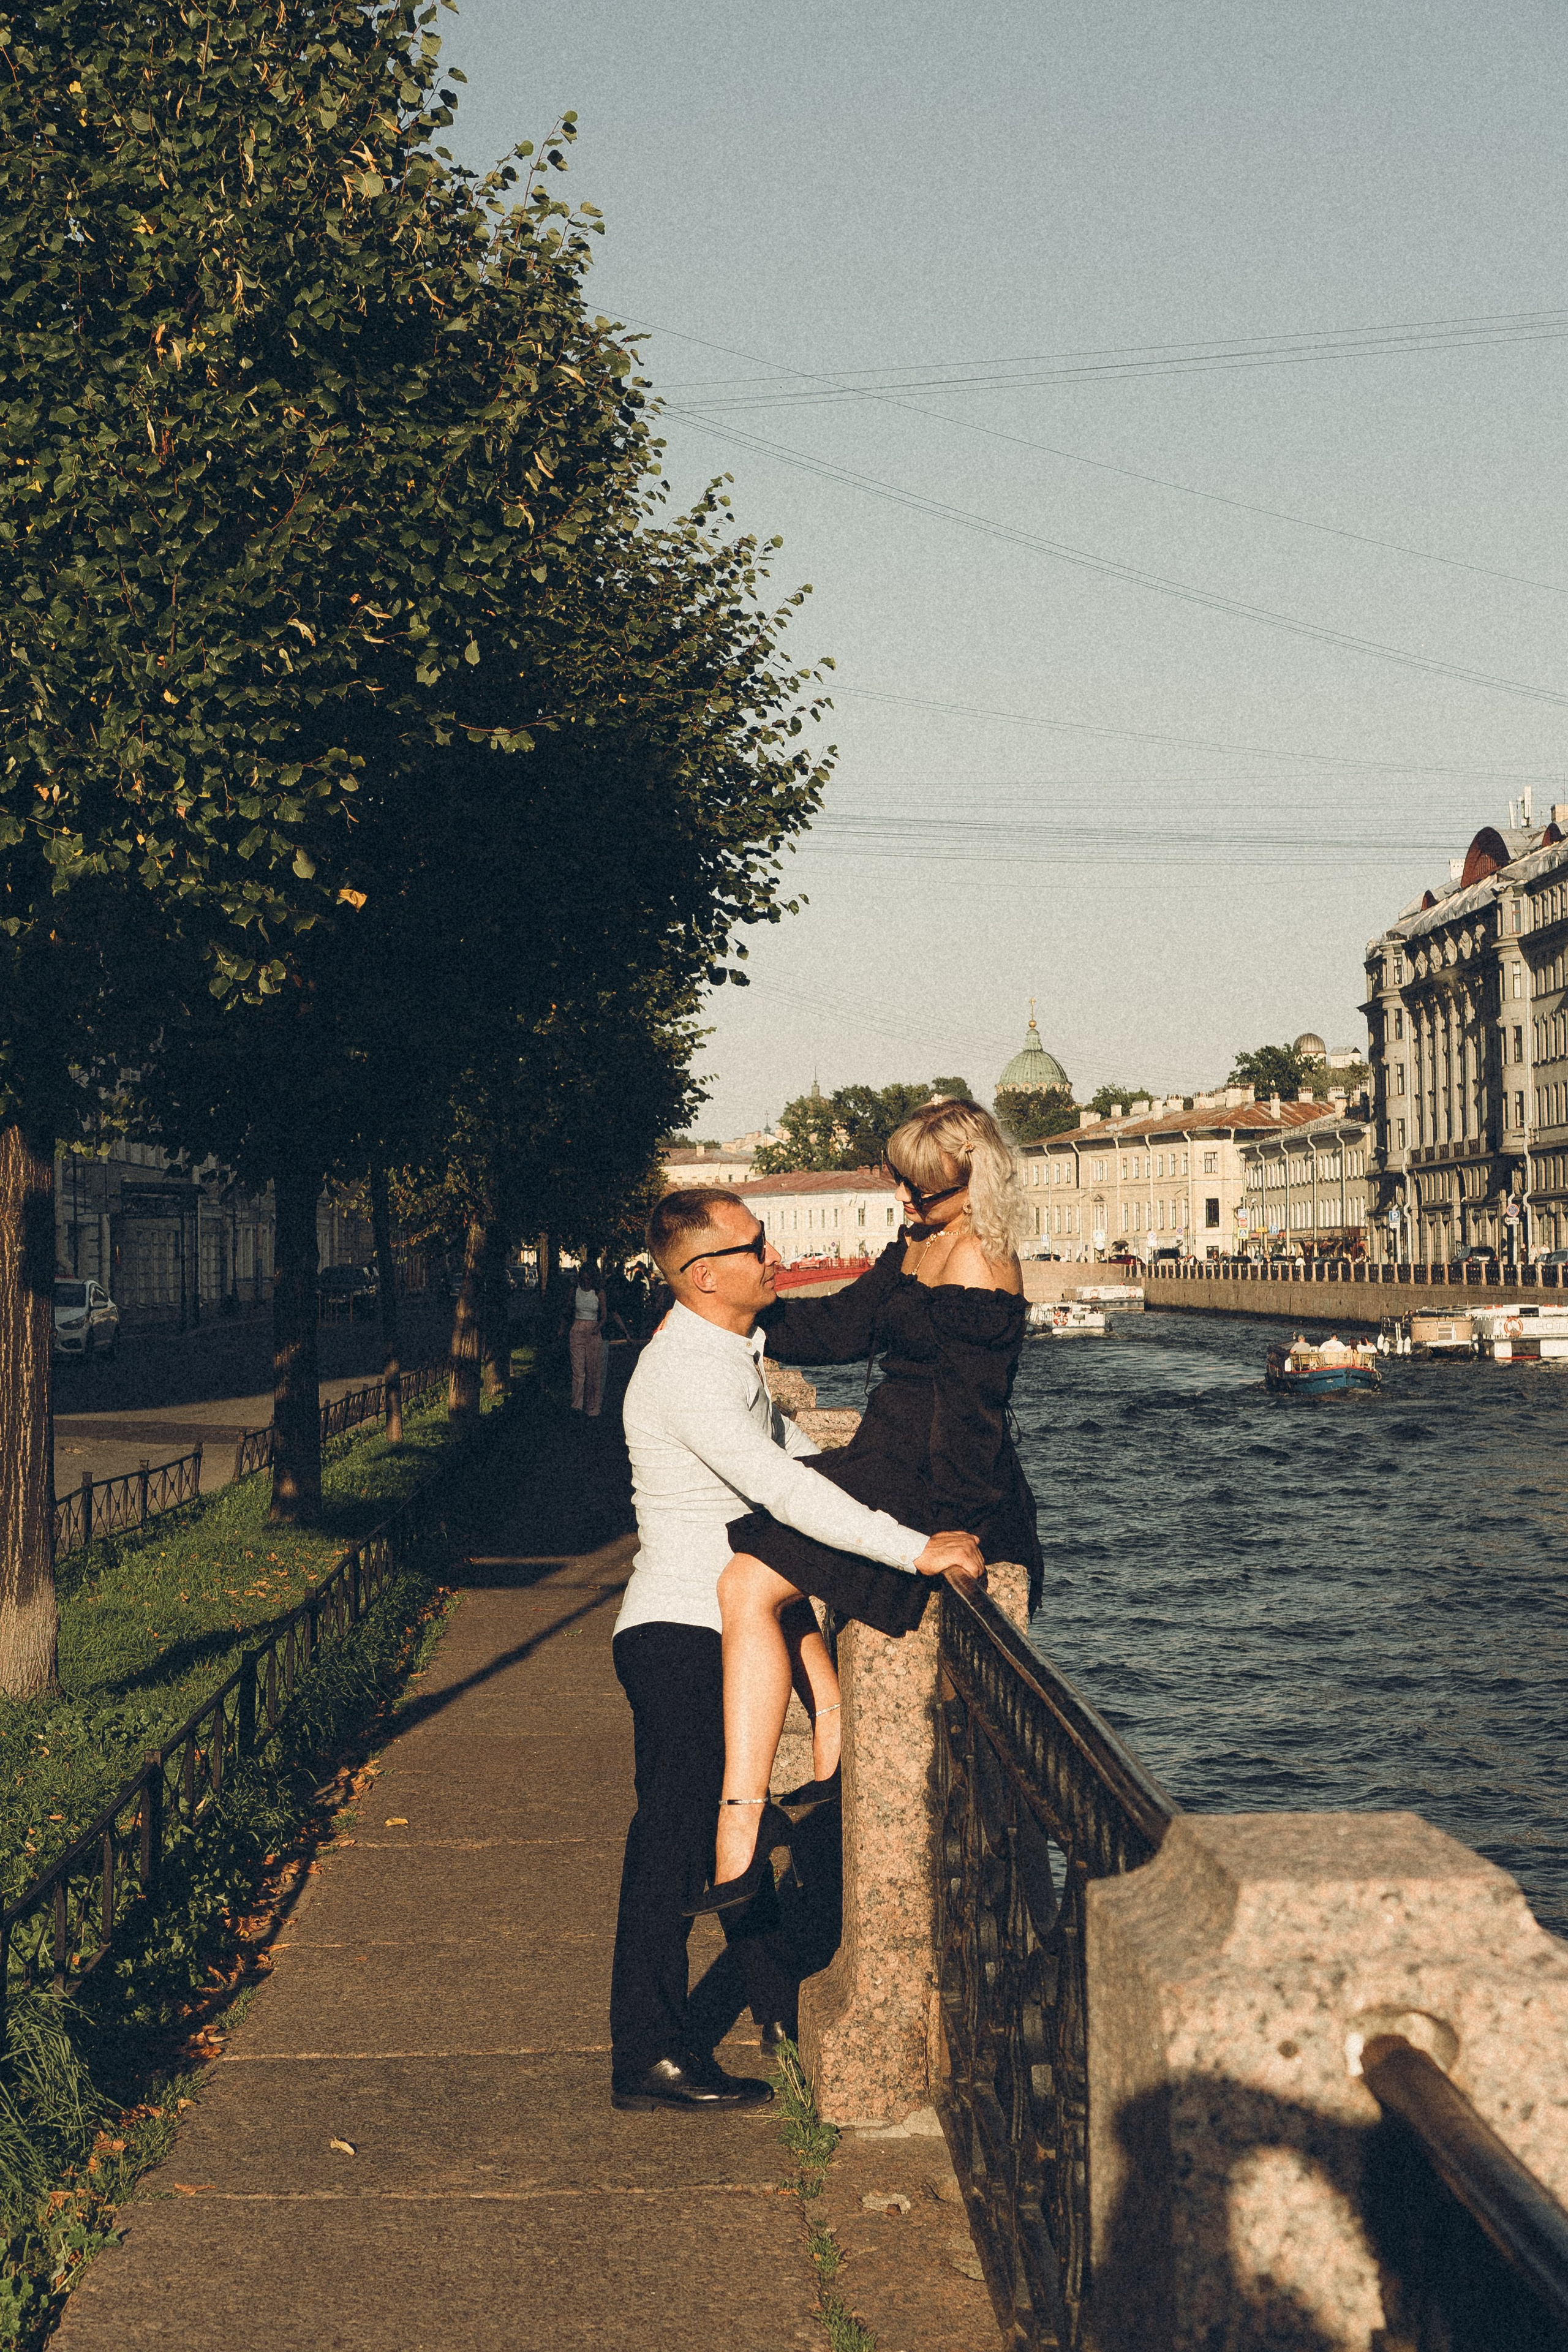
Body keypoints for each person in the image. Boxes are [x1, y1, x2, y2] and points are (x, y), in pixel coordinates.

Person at [610, 1185, 983, 2114]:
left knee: (725, 1835)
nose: (773, 1255)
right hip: (682, 1632)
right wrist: (912, 1551)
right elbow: (786, 1493)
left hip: (715, 1625)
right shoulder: (689, 1373)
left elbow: (812, 1468)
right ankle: (647, 2056)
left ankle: (772, 2008)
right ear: (702, 1276)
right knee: (675, 1843)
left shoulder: (727, 1352)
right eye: (753, 1244)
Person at [694, 1098, 1042, 1909]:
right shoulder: (922, 1241)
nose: (907, 1204)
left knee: (751, 1579)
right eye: (904, 1187)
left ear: (975, 1180)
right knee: (748, 1558)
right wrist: (737, 1312)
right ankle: (827, 1752)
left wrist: (952, 1525)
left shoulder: (983, 1263)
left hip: (935, 1479)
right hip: (887, 1451)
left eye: (925, 1193)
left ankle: (741, 1837)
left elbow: (972, 1415)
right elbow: (846, 1327)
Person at [568, 1254, 607, 1417]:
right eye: (583, 1278)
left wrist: (597, 1328)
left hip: (593, 1332)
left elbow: (604, 1316)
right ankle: (576, 1406)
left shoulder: (599, 1293)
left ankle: (593, 1408)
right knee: (578, 1372)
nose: (585, 1282)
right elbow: (568, 1311)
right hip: (577, 1330)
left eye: (588, 1279)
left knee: (593, 1371)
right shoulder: (574, 1291)